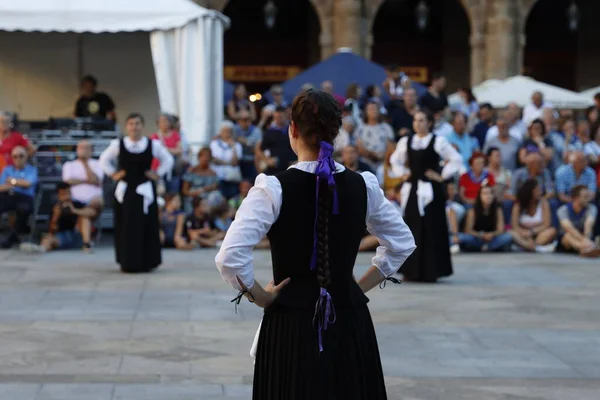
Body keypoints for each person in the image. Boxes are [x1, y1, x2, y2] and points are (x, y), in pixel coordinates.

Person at [215, 89, 415, 399]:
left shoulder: (272, 188)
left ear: (292, 130)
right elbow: (401, 243)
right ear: (336, 134)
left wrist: (261, 298)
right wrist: (356, 289)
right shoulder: (363, 184)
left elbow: (229, 257)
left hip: (290, 322)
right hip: (349, 318)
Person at [390, 110, 463, 282]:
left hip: (431, 192)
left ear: (430, 123)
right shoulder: (406, 141)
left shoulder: (438, 141)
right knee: (412, 229)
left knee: (431, 228)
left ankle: (432, 271)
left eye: (422, 120)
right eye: (416, 120)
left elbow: (456, 159)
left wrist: (442, 176)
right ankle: (411, 271)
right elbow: (395, 160)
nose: (418, 123)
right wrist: (403, 173)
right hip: (413, 190)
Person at [99, 113, 174, 273]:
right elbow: (103, 159)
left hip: (145, 188)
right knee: (126, 225)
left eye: (137, 123)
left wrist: (157, 173)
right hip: (126, 190)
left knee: (146, 225)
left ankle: (147, 261)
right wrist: (114, 174)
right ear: (127, 126)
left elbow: (168, 159)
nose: (134, 127)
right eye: (131, 123)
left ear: (142, 126)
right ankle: (127, 261)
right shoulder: (118, 144)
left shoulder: (152, 144)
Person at [20, 183, 97, 253]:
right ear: (58, 196)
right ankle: (41, 248)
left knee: (84, 218)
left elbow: (92, 212)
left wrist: (74, 210)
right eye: (63, 194)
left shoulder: (77, 204)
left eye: (67, 193)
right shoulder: (55, 208)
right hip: (62, 237)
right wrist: (55, 216)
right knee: (48, 237)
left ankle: (87, 245)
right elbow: (52, 230)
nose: (66, 196)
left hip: (78, 236)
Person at [0, 146, 38, 248]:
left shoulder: (32, 170)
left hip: (24, 197)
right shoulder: (7, 170)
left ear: (26, 157)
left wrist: (12, 181)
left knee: (23, 209)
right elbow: (0, 187)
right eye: (15, 156)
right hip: (7, 196)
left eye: (21, 156)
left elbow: (28, 184)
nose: (18, 159)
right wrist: (18, 183)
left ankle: (11, 238)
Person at [456, 185, 512, 252]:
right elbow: (468, 230)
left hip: (493, 238)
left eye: (491, 193)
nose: (488, 196)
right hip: (477, 238)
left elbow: (500, 229)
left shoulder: (498, 210)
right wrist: (481, 235)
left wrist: (491, 234)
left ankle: (487, 247)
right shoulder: (472, 211)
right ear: (480, 196)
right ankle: (485, 247)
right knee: (462, 237)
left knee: (508, 236)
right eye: (485, 194)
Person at [510, 179, 557, 252]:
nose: (540, 192)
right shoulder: (518, 206)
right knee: (510, 232)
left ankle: (531, 246)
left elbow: (546, 224)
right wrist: (524, 233)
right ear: (529, 192)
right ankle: (534, 247)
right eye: (537, 190)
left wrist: (531, 232)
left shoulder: (544, 203)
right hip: (522, 235)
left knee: (552, 231)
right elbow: (515, 225)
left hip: (538, 234)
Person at [61, 140, 104, 218]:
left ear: (91, 150)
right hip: (74, 199)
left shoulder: (98, 163)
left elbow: (95, 180)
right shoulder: (68, 164)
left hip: (94, 200)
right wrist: (87, 181)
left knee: (97, 203)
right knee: (86, 215)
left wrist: (85, 163)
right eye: (81, 148)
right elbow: (68, 181)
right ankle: (79, 213)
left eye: (86, 148)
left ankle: (75, 211)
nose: (83, 150)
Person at [556, 185, 600, 257]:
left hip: (585, 237)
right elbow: (569, 228)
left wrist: (586, 238)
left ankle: (586, 249)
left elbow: (588, 224)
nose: (588, 199)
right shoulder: (562, 210)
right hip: (567, 241)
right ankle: (585, 249)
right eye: (585, 197)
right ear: (576, 198)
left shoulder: (592, 208)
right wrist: (585, 242)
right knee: (567, 236)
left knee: (590, 234)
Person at [256, 106, 295, 175]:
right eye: (276, 117)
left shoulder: (292, 130)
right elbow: (259, 149)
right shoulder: (269, 132)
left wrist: (298, 160)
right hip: (274, 168)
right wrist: (267, 160)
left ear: (286, 115)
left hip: (291, 166)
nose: (278, 119)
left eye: (280, 117)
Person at [355, 102, 395, 171]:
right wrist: (373, 155)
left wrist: (382, 156)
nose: (373, 111)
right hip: (365, 164)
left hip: (383, 164)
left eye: (375, 109)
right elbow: (359, 148)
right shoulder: (360, 128)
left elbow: (391, 146)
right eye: (370, 109)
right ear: (366, 112)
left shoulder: (387, 127)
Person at [150, 114, 183, 193]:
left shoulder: (175, 135)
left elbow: (179, 150)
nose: (166, 124)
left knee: (172, 192)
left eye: (167, 121)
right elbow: (154, 152)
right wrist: (171, 150)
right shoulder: (154, 136)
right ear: (158, 123)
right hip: (158, 169)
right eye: (163, 121)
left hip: (173, 169)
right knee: (159, 192)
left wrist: (165, 149)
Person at [210, 121, 243, 199]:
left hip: (231, 178)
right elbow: (214, 160)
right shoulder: (214, 144)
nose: (227, 133)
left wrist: (233, 147)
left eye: (229, 131)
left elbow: (235, 162)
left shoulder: (237, 145)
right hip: (217, 176)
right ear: (220, 132)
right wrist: (228, 163)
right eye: (225, 131)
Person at [181, 148, 219, 213]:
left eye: (207, 157)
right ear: (199, 157)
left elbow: (216, 187)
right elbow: (184, 190)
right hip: (193, 198)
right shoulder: (191, 171)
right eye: (203, 156)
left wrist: (209, 188)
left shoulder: (213, 173)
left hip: (208, 199)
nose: (205, 159)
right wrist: (194, 193)